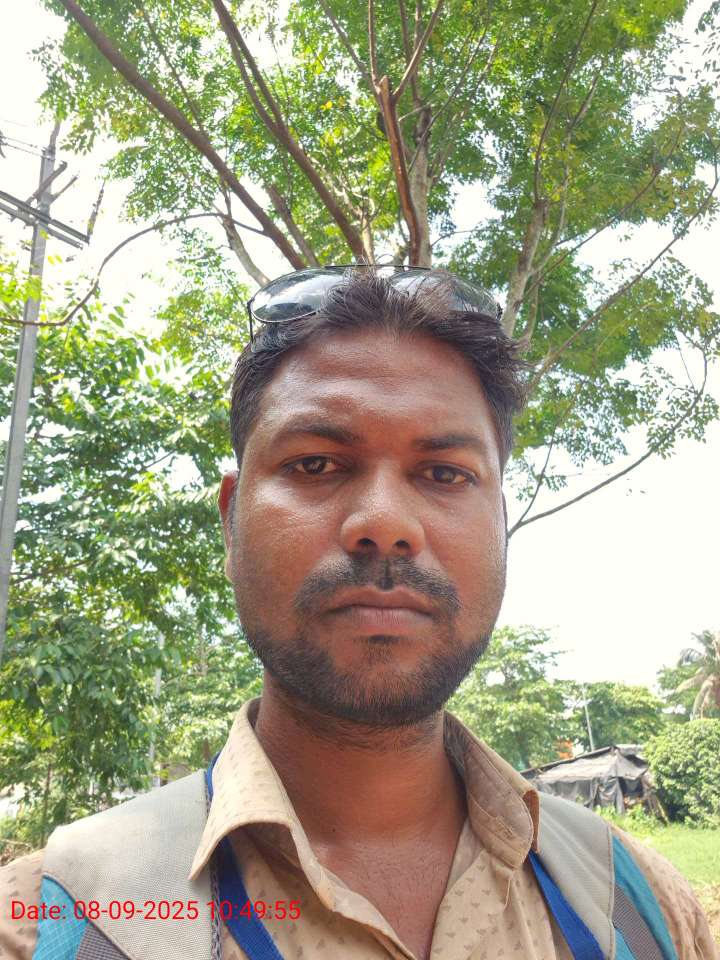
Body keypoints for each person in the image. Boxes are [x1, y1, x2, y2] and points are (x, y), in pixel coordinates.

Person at [1, 266, 717, 960]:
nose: (384, 523)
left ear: (500, 525)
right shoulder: (49, 925)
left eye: (444, 473)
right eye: (315, 464)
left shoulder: (644, 911)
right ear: (231, 524)